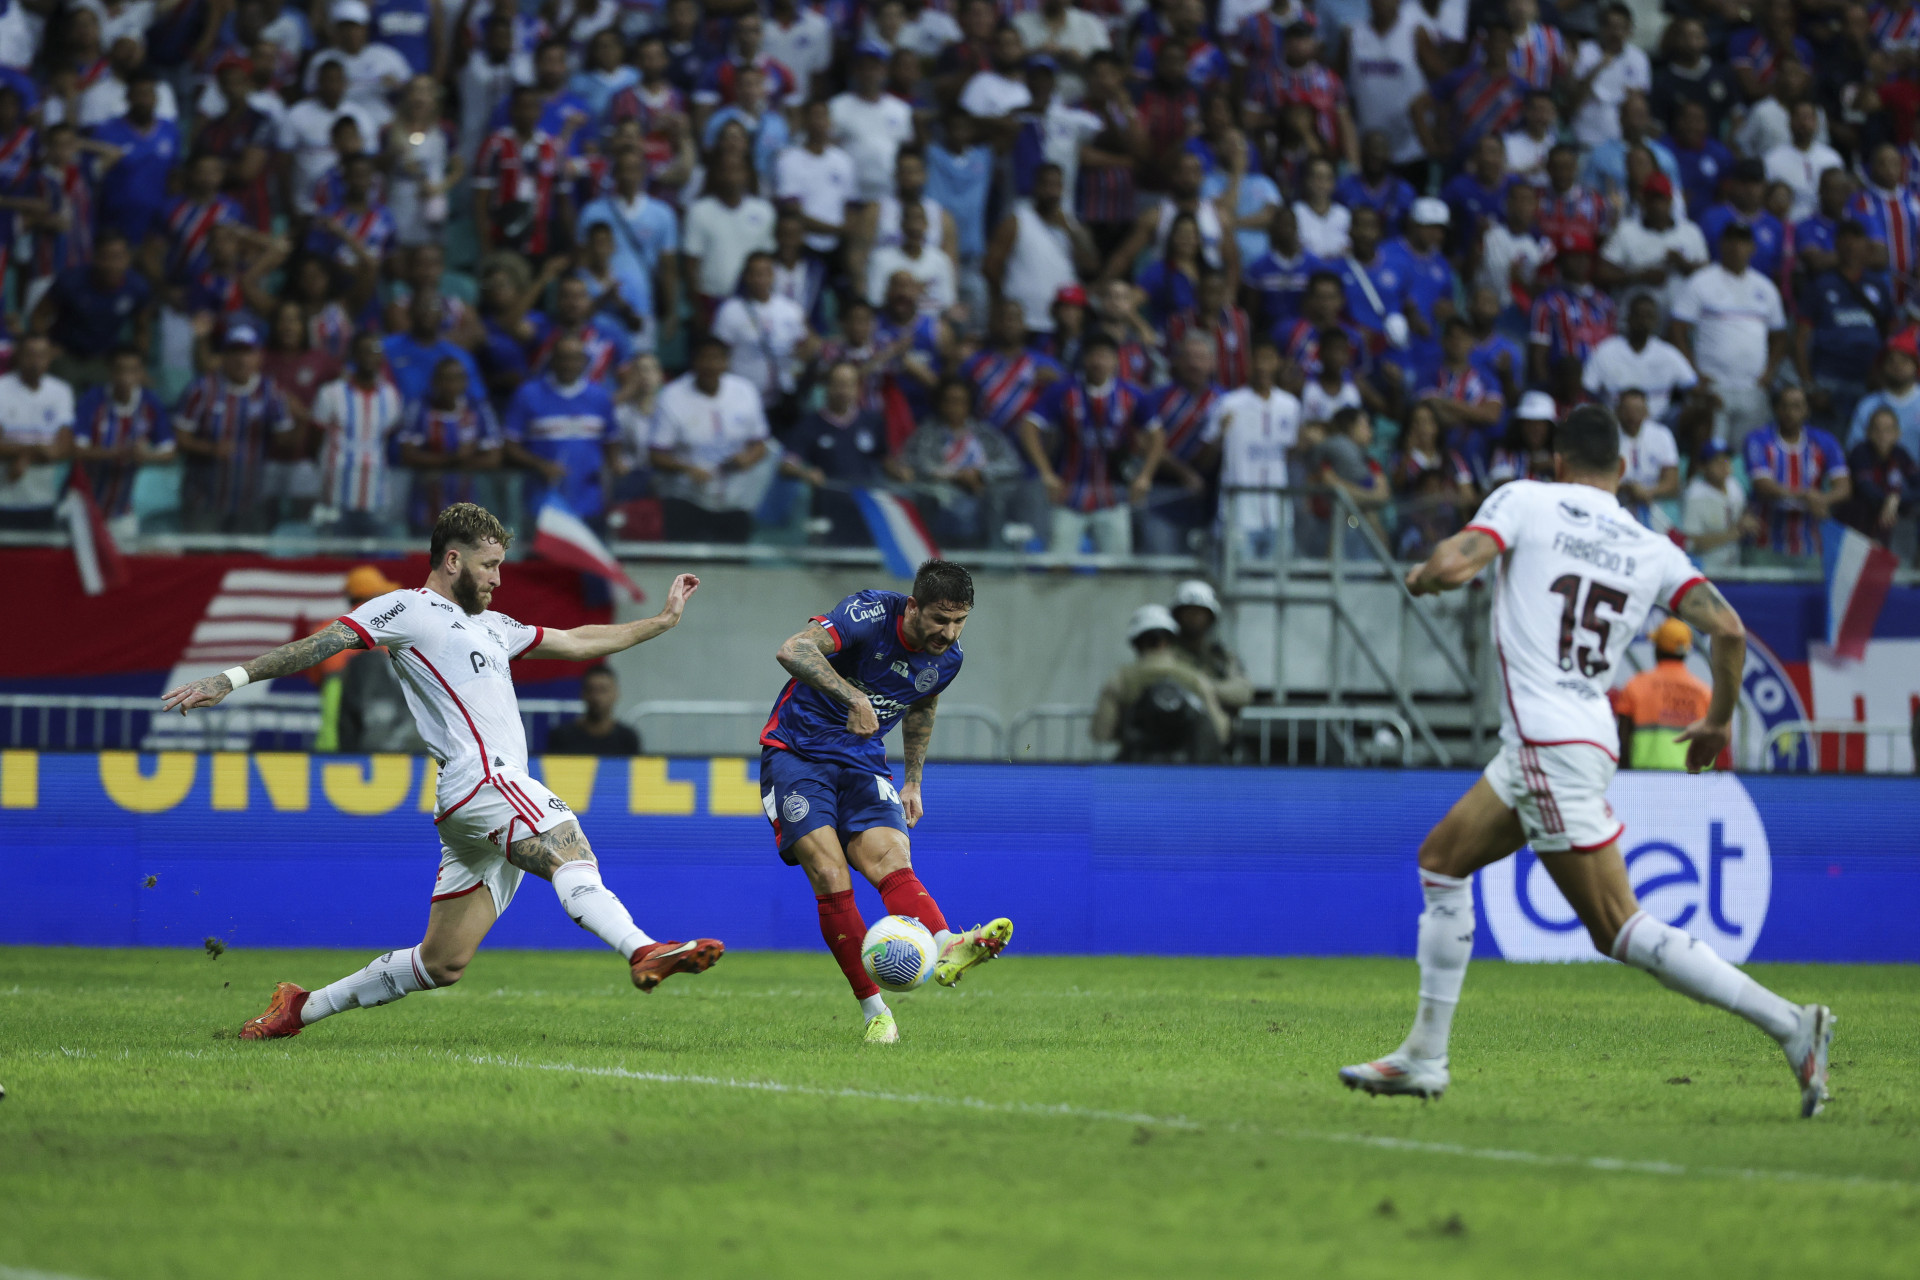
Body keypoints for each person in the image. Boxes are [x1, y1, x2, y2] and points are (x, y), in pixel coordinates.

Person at [1338, 404, 1835, 1116]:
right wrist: (1719, 720)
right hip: (1572, 735)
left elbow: (1454, 565)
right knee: (1442, 860)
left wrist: (1423, 575)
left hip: (1547, 741)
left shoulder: (1526, 499)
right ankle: (1424, 1056)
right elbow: (1727, 628)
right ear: (1623, 470)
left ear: (1560, 463)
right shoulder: (1650, 544)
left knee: (1617, 926)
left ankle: (1793, 1026)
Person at [165, 504, 723, 1039]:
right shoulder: (407, 609)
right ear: (452, 560)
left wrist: (663, 621)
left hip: (471, 805)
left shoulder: (493, 625)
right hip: (486, 780)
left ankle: (300, 1008)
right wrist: (230, 679)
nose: (498, 579)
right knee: (570, 853)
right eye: (490, 565)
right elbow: (325, 642)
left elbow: (576, 640)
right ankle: (641, 948)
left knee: (441, 962)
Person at [760, 560, 1014, 1045]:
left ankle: (949, 946)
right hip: (797, 752)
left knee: (892, 858)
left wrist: (914, 780)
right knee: (830, 873)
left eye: (960, 621)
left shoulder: (950, 658)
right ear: (914, 605)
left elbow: (923, 702)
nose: (949, 631)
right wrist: (851, 695)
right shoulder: (869, 612)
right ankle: (875, 1012)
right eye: (941, 619)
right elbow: (792, 649)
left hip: (863, 760)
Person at [1019, 332, 1160, 556]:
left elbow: (1157, 435)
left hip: (1114, 497)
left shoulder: (1132, 395)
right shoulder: (1063, 392)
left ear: (1116, 361)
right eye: (1093, 356)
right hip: (1068, 496)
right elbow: (1029, 426)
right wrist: (1045, 473)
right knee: (1057, 566)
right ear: (1084, 359)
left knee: (1116, 570)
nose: (1098, 362)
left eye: (1105, 356)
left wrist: (1145, 475)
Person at [649, 335, 774, 542]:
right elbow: (656, 455)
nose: (710, 365)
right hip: (686, 499)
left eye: (717, 358)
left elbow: (760, 444)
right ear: (694, 362)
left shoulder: (745, 391)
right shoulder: (672, 396)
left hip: (735, 501)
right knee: (687, 569)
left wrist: (748, 458)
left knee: (733, 567)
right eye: (704, 358)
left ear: (726, 362)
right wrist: (687, 468)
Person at [1669, 223, 1786, 443]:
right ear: (1722, 245)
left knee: (1747, 457)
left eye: (1743, 241)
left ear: (1752, 247)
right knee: (1711, 453)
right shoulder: (1701, 282)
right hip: (1713, 387)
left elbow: (1780, 335)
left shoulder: (1765, 287)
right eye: (1731, 240)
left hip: (1753, 388)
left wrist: (1769, 372)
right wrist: (1692, 373)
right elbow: (1677, 329)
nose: (1737, 247)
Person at [174, 321, 294, 533]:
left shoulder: (271, 391)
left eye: (248, 352)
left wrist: (295, 421)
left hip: (252, 500)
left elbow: (285, 438)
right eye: (234, 352)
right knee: (202, 560)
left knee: (248, 561)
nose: (241, 359)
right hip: (204, 499)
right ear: (224, 356)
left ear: (259, 356)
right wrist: (211, 449)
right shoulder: (201, 389)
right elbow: (179, 437)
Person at [502, 334, 620, 526]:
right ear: (552, 360)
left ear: (584, 362)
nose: (568, 364)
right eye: (563, 357)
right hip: (541, 504)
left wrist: (616, 465)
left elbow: (611, 442)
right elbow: (510, 446)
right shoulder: (528, 394)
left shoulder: (600, 398)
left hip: (590, 505)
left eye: (575, 358)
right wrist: (540, 465)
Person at [1091, 603, 1231, 761]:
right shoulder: (1196, 679)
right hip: (1187, 772)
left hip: (1136, 770)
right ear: (1170, 640)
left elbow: (1101, 733)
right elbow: (1220, 732)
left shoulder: (1120, 680)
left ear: (1137, 642)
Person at [1206, 335, 1300, 557]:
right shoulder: (1228, 404)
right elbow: (1206, 459)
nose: (1262, 367)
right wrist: (1220, 433)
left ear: (1278, 363)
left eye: (1268, 360)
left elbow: (1292, 454)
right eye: (1257, 360)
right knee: (1239, 583)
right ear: (1247, 364)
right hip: (1238, 515)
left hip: (1279, 515)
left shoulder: (1291, 405)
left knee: (1278, 588)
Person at [311, 329, 406, 534]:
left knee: (373, 559)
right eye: (364, 351)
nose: (370, 357)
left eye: (375, 351)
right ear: (354, 355)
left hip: (375, 494)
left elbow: (388, 435)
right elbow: (315, 437)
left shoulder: (391, 397)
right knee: (334, 555)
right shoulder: (331, 393)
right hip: (335, 493)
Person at [1743, 384, 1850, 559]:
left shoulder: (1825, 441)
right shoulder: (1758, 439)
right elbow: (1763, 486)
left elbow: (1844, 488)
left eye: (1797, 406)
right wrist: (1805, 495)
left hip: (1809, 544)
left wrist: (1823, 499)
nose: (1790, 412)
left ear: (1807, 410)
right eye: (1784, 406)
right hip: (1764, 543)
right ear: (1776, 409)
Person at [71, 345, 171, 530]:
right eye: (120, 370)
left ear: (142, 373)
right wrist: (118, 452)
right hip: (81, 508)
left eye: (133, 370)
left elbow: (169, 452)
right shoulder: (92, 400)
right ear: (110, 371)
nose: (126, 377)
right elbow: (77, 450)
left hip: (122, 511)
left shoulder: (151, 404)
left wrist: (145, 456)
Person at [1612, 619, 1712, 771]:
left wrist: (1624, 777)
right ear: (1686, 652)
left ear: (1657, 649)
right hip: (1695, 784)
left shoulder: (1636, 686)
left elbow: (1623, 738)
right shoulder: (1704, 692)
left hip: (1645, 781)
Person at [0, 335, 76, 532]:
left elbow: (64, 447)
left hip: (44, 497)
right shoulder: (2, 388)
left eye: (42, 355)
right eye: (29, 355)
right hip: (5, 496)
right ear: (18, 356)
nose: (35, 362)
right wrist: (35, 450)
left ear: (50, 357)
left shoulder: (61, 391)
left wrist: (25, 456)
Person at [1582, 294, 1698, 424]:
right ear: (1629, 318)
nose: (1643, 321)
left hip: (1659, 424)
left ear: (1656, 321)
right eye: (1639, 315)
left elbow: (1691, 384)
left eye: (1648, 316)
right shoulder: (1606, 350)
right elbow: (1588, 388)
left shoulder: (1668, 353)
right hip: (1614, 424)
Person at [1168, 579, 1253, 715]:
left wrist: (1205, 688)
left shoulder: (1221, 656)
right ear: (1177, 615)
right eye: (1189, 611)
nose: (1194, 617)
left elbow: (1243, 692)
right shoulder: (1165, 652)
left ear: (1210, 618)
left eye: (1200, 612)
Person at [1840, 407, 1918, 549]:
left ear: (1897, 433)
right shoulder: (1860, 452)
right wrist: (1889, 499)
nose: (1882, 435)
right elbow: (1866, 488)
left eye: (1888, 430)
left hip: (1885, 528)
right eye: (1877, 429)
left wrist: (1896, 498)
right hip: (1854, 529)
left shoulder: (1900, 454)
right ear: (1868, 432)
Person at [1679, 440, 1754, 574]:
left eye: (1726, 459)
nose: (1724, 465)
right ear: (1703, 466)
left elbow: (1743, 514)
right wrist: (1734, 533)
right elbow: (1691, 542)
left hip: (1736, 565)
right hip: (1707, 569)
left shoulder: (1734, 486)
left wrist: (1747, 520)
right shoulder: (1695, 495)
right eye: (1717, 461)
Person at [547, 664, 643, 756]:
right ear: (582, 694)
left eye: (603, 690)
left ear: (616, 693)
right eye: (591, 690)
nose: (596, 697)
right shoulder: (562, 736)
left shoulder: (627, 738)